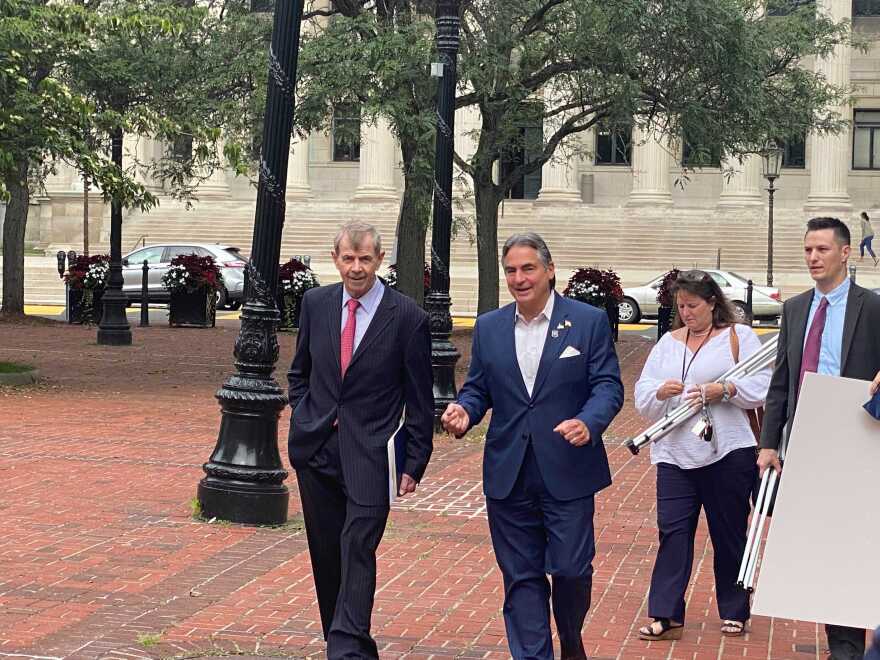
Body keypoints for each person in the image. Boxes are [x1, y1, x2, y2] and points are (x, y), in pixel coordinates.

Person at [441, 232, 623, 660]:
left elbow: (608, 387)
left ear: (550, 270)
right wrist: (465, 411)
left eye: (528, 269)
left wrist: (588, 421)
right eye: (511, 271)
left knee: (571, 570)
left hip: (567, 470)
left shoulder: (587, 322)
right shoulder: (490, 327)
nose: (519, 278)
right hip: (509, 472)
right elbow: (479, 388)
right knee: (521, 577)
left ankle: (571, 640)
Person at [287, 220, 434, 659]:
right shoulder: (315, 304)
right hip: (317, 450)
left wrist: (415, 461)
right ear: (335, 259)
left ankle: (345, 649)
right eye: (348, 259)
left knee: (358, 545)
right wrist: (307, 414)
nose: (356, 268)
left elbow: (420, 399)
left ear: (380, 260)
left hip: (373, 454)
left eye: (365, 259)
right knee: (327, 549)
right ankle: (343, 635)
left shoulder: (407, 316)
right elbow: (300, 374)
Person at [758, 217, 880, 660]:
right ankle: (840, 643)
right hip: (806, 442)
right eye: (808, 249)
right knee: (823, 544)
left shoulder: (872, 307)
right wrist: (769, 443)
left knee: (853, 541)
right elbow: (781, 381)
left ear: (845, 253)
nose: (813, 257)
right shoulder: (794, 309)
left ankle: (850, 644)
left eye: (823, 250)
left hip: (859, 440)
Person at [633, 270, 770, 641]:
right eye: (681, 306)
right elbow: (642, 393)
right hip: (675, 452)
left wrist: (722, 389)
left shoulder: (738, 337)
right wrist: (661, 392)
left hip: (728, 451)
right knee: (673, 532)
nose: (687, 312)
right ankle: (666, 614)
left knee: (728, 533)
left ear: (712, 302)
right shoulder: (667, 343)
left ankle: (736, 609)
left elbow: (762, 385)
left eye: (693, 305)